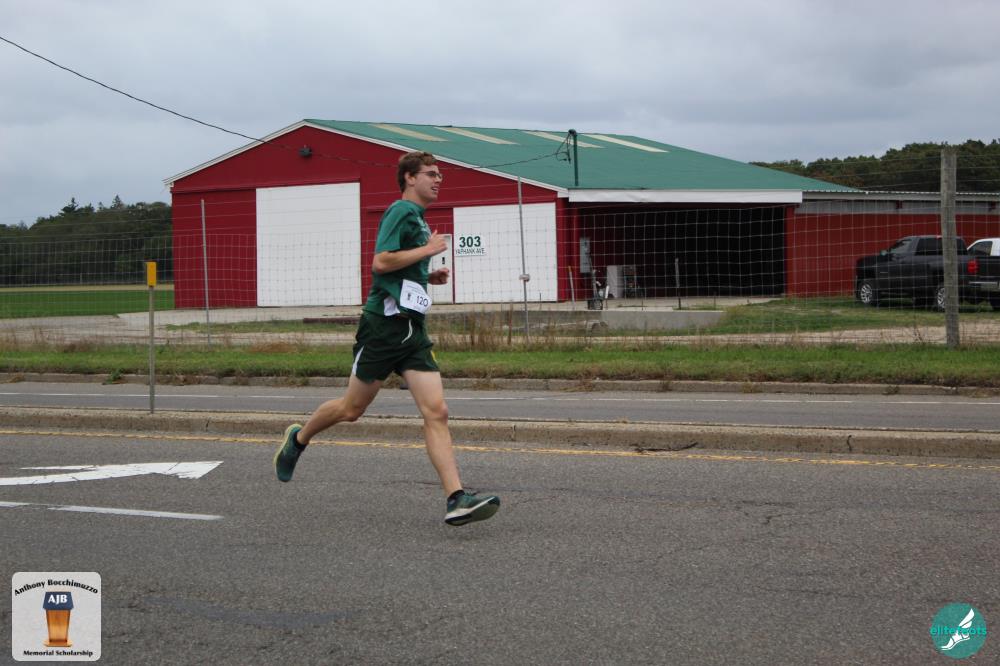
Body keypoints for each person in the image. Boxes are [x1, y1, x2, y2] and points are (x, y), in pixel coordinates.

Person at [274, 151, 500, 527]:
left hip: (413, 331)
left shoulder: (419, 218)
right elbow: (381, 262)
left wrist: (428, 275)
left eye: (440, 175)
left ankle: (456, 498)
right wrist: (428, 250)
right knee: (351, 410)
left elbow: (402, 267)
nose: (438, 180)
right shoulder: (400, 210)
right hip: (383, 327)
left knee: (437, 411)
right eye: (431, 174)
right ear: (410, 177)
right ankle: (298, 439)